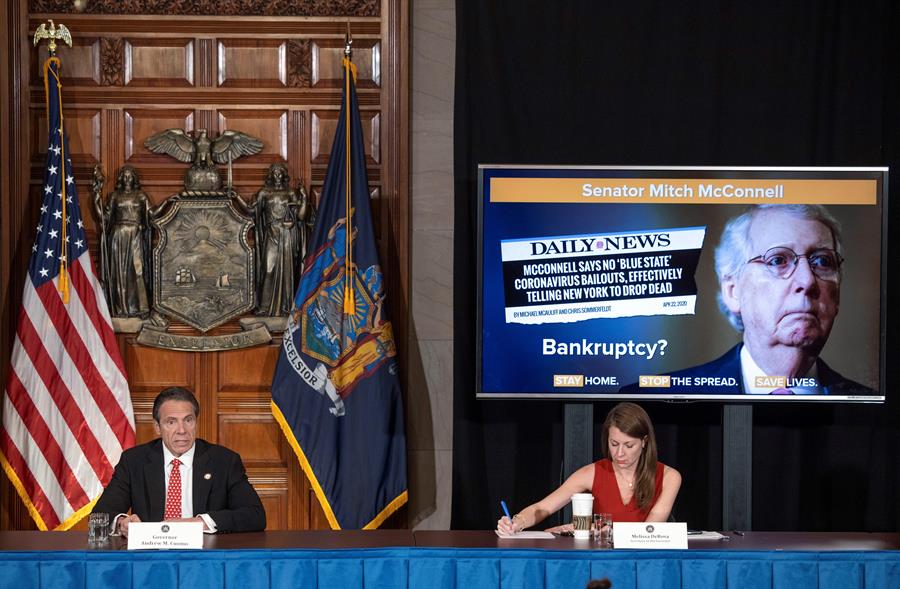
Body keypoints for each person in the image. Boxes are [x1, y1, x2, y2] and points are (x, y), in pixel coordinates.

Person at [626, 204, 874, 395]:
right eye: (778, 260)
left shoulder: (871, 409)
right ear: (733, 291)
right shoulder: (650, 400)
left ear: (837, 295)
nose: (807, 281)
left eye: (822, 261)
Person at [93, 387, 266, 536]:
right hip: (151, 553)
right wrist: (122, 523)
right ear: (157, 427)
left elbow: (255, 515)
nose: (182, 430)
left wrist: (200, 523)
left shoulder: (224, 461)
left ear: (196, 422)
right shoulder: (134, 461)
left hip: (204, 554)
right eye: (171, 422)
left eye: (188, 420)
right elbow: (100, 514)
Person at [496, 403, 681, 534]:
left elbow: (649, 531)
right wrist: (517, 522)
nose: (619, 453)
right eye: (614, 444)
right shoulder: (591, 472)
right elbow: (543, 507)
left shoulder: (670, 477)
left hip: (647, 563)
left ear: (644, 442)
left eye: (629, 445)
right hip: (602, 562)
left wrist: (589, 528)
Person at [93, 165, 152, 318]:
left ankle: (140, 307)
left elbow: (150, 215)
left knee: (137, 270)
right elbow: (105, 217)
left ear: (134, 178)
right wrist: (96, 197)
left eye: (129, 176)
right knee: (119, 273)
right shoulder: (114, 196)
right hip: (118, 236)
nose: (127, 179)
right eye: (124, 176)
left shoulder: (141, 196)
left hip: (135, 235)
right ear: (121, 178)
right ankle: (120, 308)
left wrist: (167, 207)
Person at [254, 163, 308, 317]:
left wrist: (304, 198)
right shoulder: (264, 192)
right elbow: (253, 211)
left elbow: (301, 216)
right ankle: (264, 307)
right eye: (275, 173)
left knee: (287, 271)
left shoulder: (290, 192)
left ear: (284, 175)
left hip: (287, 234)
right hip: (271, 233)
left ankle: (286, 306)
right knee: (268, 268)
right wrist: (236, 198)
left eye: (280, 173)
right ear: (270, 175)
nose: (277, 176)